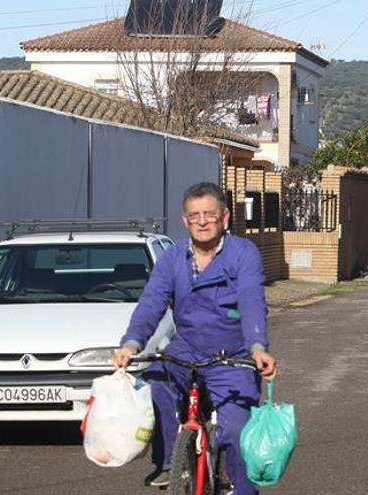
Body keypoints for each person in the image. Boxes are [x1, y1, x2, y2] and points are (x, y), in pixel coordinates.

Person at [113, 182, 276, 494]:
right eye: (194, 215)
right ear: (185, 220)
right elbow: (152, 302)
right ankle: (168, 463)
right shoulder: (173, 257)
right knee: (155, 382)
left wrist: (257, 347)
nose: (202, 221)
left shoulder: (243, 254)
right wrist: (132, 343)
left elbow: (252, 301)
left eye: (209, 214)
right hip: (185, 351)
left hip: (233, 355)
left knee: (236, 429)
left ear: (224, 217)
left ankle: (241, 488)